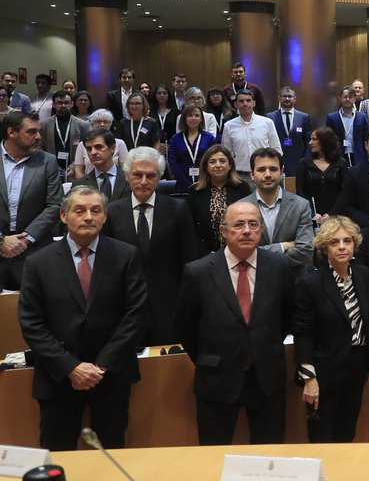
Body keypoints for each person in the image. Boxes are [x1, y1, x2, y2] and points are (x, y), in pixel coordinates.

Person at [18, 185, 146, 450]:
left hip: (111, 376)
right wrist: (71, 367)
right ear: (64, 216)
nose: (88, 216)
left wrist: (101, 366)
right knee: (58, 456)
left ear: (105, 216)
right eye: (80, 210)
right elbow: (31, 322)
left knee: (111, 454)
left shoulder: (126, 255)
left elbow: (135, 314)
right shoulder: (38, 262)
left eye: (96, 210)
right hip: (58, 377)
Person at [176, 201, 294, 445]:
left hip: (266, 379)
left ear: (261, 229)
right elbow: (185, 326)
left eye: (253, 224)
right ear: (223, 231)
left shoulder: (279, 267)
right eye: (238, 225)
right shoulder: (198, 272)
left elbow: (286, 318)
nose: (247, 230)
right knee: (213, 457)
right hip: (216, 378)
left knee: (269, 459)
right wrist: (209, 357)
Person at [103, 147, 197, 345]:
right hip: (125, 308)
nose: (144, 181)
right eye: (138, 174)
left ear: (160, 177)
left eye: (151, 175)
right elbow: (106, 264)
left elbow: (189, 260)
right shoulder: (111, 212)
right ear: (127, 176)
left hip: (169, 307)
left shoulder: (178, 209)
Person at [295, 216, 369, 443]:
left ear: (355, 244)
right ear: (324, 247)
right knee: (322, 436)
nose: (342, 247)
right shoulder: (309, 282)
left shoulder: (363, 275)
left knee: (347, 431)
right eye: (334, 242)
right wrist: (309, 378)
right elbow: (303, 332)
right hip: (323, 369)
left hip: (356, 366)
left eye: (347, 241)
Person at [0, 110, 63, 290]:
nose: (38, 137)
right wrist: (2, 241)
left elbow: (55, 204)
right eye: (31, 132)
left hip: (34, 253)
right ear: (12, 133)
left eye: (39, 131)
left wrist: (25, 239)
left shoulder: (48, 161)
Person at [249, 147, 315, 274]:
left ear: (281, 172)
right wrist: (282, 246)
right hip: (254, 282)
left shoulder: (301, 205)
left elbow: (306, 251)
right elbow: (240, 252)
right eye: (261, 169)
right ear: (252, 175)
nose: (268, 174)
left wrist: (259, 255)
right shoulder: (240, 207)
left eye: (273, 169)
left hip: (293, 282)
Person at [186, 144, 253, 253]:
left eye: (222, 161)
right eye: (212, 162)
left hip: (238, 249)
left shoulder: (242, 188)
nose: (218, 165)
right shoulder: (195, 191)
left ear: (230, 165)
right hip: (204, 252)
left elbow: (248, 220)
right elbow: (190, 226)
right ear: (206, 167)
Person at [224, 90, 282, 177]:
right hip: (240, 175)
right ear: (235, 104)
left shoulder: (267, 122)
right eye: (241, 101)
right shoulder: (228, 126)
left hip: (265, 174)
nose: (245, 103)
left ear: (254, 103)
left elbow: (276, 149)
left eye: (248, 100)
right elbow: (227, 153)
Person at [295, 127, 347, 225]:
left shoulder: (341, 163)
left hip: (336, 217)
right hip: (310, 217)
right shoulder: (304, 163)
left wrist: (330, 214)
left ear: (325, 141)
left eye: (314, 139)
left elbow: (344, 193)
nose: (310, 143)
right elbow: (300, 191)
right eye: (310, 139)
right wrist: (312, 213)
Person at [166, 104, 217, 193]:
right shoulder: (175, 139)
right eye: (190, 115)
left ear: (201, 119)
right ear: (184, 119)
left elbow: (213, 160)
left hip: (206, 183)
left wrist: (205, 180)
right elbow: (173, 163)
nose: (193, 118)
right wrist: (186, 184)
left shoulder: (209, 138)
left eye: (197, 115)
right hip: (182, 185)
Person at [75, 128, 131, 202]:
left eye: (98, 147)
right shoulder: (79, 184)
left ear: (112, 148)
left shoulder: (130, 180)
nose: (93, 152)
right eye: (89, 149)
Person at [267, 86, 312, 177]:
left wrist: (307, 160)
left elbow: (308, 141)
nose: (287, 98)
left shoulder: (303, 117)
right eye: (284, 96)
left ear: (294, 99)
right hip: (276, 160)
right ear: (279, 98)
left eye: (290, 96)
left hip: (298, 161)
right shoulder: (270, 117)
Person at [42, 90, 88, 177]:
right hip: (50, 170)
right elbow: (40, 148)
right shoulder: (44, 125)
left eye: (66, 103)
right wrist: (50, 165)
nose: (63, 106)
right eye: (59, 103)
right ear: (54, 105)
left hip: (75, 170)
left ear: (72, 104)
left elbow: (86, 149)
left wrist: (74, 167)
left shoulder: (83, 125)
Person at [327, 86, 369, 166]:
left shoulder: (362, 117)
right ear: (340, 98)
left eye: (350, 97)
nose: (347, 99)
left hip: (358, 157)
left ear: (354, 98)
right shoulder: (332, 118)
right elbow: (329, 140)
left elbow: (366, 139)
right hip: (338, 157)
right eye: (345, 97)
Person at [148, 84, 178, 153]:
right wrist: (158, 145)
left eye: (164, 93)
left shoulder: (176, 112)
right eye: (159, 93)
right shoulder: (150, 113)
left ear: (168, 96)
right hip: (154, 147)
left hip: (172, 146)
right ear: (155, 95)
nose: (162, 95)